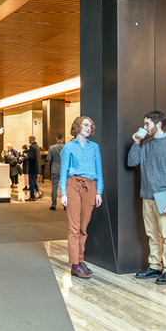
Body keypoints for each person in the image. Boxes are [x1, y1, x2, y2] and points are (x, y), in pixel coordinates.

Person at [128, 110, 166, 285]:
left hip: (164, 197)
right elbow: (132, 162)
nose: (144, 127)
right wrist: (136, 142)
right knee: (152, 234)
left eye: (147, 124)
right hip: (147, 195)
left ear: (158, 124)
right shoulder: (146, 144)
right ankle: (154, 266)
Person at [60, 116, 104, 280]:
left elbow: (99, 170)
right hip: (73, 185)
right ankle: (75, 265)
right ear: (78, 126)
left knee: (83, 228)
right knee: (74, 228)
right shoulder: (68, 147)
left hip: (90, 187)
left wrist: (99, 191)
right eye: (86, 124)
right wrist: (63, 194)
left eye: (91, 125)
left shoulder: (94, 147)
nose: (89, 128)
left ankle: (80, 259)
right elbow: (63, 171)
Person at [46, 134, 64, 210]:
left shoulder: (52, 148)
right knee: (64, 187)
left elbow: (49, 158)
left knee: (54, 187)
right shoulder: (66, 147)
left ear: (56, 139)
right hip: (64, 169)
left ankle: (54, 205)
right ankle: (65, 205)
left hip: (55, 169)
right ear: (63, 139)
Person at [26, 136, 41, 201]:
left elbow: (31, 157)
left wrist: (23, 158)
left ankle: (32, 196)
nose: (28, 140)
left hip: (32, 167)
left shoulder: (32, 147)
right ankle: (38, 192)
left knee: (31, 182)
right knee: (34, 180)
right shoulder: (37, 146)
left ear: (31, 139)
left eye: (29, 139)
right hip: (36, 166)